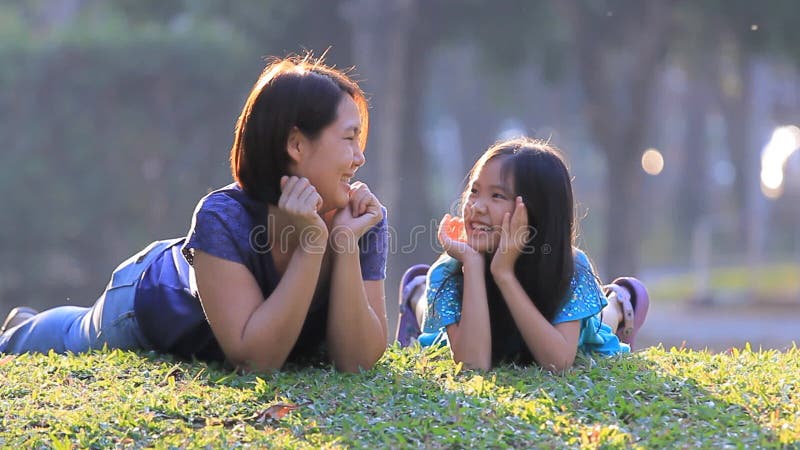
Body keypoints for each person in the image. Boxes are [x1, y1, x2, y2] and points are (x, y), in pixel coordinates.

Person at [0, 54, 389, 373]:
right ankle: (19, 329)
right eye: (349, 138)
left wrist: (343, 244)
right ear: (296, 144)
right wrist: (310, 247)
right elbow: (256, 361)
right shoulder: (223, 217)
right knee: (70, 337)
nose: (360, 156)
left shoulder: (356, 221)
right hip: (141, 307)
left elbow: (356, 361)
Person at [395, 137, 649, 372]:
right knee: (431, 322)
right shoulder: (449, 270)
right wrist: (471, 264)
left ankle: (619, 301)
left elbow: (558, 362)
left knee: (600, 325)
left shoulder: (568, 266)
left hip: (569, 328)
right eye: (474, 191)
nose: (476, 207)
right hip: (472, 325)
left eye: (497, 196)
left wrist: (503, 273)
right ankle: (415, 293)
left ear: (536, 211)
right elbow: (472, 364)